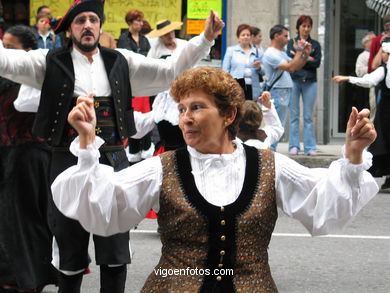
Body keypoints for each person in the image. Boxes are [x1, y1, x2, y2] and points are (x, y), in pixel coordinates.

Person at [52, 66, 378, 292]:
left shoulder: (269, 165)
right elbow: (103, 205)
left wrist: (352, 157)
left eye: (197, 107)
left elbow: (324, 205)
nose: (186, 118)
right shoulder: (161, 167)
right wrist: (85, 144)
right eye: (181, 109)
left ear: (229, 114)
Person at [0, 0, 224, 292]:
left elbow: (169, 71)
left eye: (93, 19)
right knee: (69, 245)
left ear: (100, 25)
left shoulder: (121, 60)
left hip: (113, 162)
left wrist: (205, 39)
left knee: (115, 247)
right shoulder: (48, 61)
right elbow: (6, 61)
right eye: (80, 20)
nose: (88, 25)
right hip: (66, 161)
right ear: (70, 28)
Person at [0, 25, 58, 293]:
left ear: (28, 51)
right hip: (8, 154)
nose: (6, 52)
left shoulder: (34, 76)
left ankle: (26, 278)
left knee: (25, 219)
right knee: (10, 219)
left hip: (28, 156)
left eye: (11, 48)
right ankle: (16, 275)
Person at [333, 37, 390, 191]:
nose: (383, 55)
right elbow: (369, 79)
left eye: (384, 52)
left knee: (384, 141)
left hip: (386, 112)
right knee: (385, 142)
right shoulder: (384, 68)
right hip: (386, 111)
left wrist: (347, 78)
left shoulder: (384, 69)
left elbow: (369, 80)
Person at [262, 24, 311, 151]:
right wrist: (300, 51)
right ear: (276, 36)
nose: (288, 39)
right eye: (285, 36)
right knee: (276, 124)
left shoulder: (280, 53)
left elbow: (295, 66)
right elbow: (290, 67)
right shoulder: (271, 54)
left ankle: (270, 152)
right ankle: (269, 152)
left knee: (279, 124)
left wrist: (305, 54)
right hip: (278, 91)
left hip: (283, 90)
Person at [117, 10, 153, 163]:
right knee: (132, 114)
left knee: (145, 113)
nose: (140, 23)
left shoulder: (145, 40)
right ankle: (133, 149)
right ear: (130, 23)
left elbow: (149, 59)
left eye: (141, 20)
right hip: (130, 83)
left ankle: (146, 147)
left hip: (144, 81)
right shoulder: (124, 39)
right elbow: (124, 61)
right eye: (137, 21)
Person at [286, 15, 321, 156]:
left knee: (308, 116)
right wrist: (307, 57)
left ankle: (310, 147)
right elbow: (290, 61)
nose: (306, 29)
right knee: (294, 115)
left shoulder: (316, 44)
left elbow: (317, 63)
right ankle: (293, 146)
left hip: (310, 82)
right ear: (298, 27)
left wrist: (301, 57)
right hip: (294, 80)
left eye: (308, 26)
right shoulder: (291, 43)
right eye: (303, 26)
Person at [222, 23, 261, 100]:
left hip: (253, 87)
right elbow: (225, 71)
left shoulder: (257, 51)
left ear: (251, 37)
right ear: (238, 37)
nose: (246, 37)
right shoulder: (231, 50)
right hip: (237, 86)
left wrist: (259, 67)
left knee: (251, 109)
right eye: (243, 35)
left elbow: (264, 71)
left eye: (248, 35)